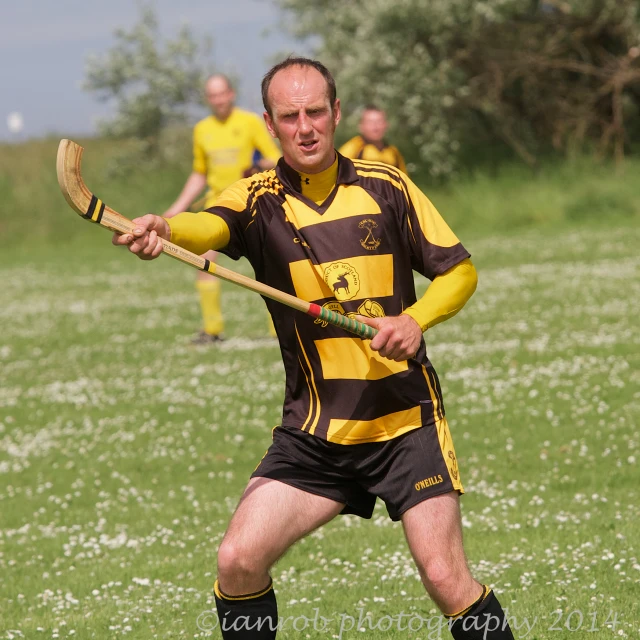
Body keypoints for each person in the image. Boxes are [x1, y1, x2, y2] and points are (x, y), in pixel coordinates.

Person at [113, 57, 515, 640]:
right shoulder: (257, 199)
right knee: (237, 561)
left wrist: (415, 319)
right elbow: (207, 225)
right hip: (317, 434)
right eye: (289, 115)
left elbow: (460, 273)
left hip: (406, 426)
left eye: (315, 112)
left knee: (446, 578)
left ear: (336, 113)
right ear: (271, 126)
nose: (305, 126)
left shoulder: (388, 185)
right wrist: (167, 229)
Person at [163, 73, 281, 344]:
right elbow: (199, 174)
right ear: (208, 99)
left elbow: (274, 159)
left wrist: (259, 166)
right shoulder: (202, 129)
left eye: (222, 93)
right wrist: (175, 209)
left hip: (251, 202)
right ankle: (212, 330)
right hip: (217, 205)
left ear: (231, 93)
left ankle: (279, 330)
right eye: (212, 95)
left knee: (273, 264)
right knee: (203, 262)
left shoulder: (250, 122)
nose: (218, 100)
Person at [339, 104, 407, 171]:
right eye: (370, 122)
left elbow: (404, 180)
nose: (375, 127)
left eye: (379, 122)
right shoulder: (353, 148)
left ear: (386, 125)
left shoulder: (394, 153)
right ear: (361, 126)